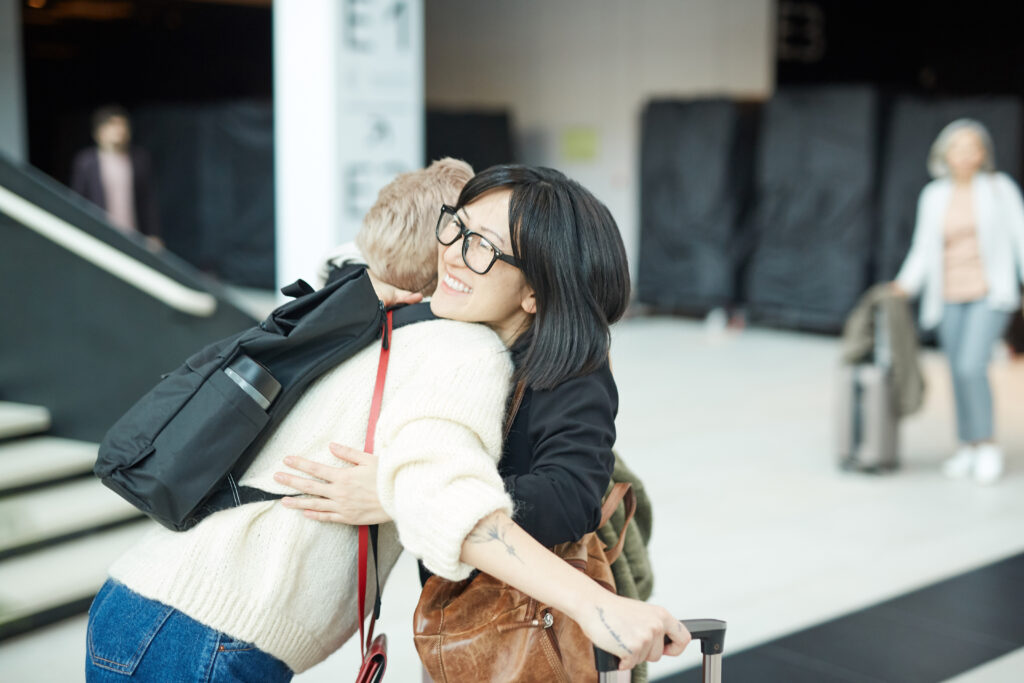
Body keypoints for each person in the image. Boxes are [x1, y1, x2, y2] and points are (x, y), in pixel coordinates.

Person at [86, 162, 688, 682]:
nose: (452, 252)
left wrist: (394, 494)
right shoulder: (453, 343)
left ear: (537, 291)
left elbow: (563, 493)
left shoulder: (461, 339)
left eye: (482, 246)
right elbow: (442, 497)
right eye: (455, 228)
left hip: (164, 607)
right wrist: (593, 605)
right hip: (203, 630)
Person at [891, 119, 1024, 484]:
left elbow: (1020, 238)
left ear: (983, 154)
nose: (966, 155)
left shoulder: (1000, 189)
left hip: (989, 293)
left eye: (973, 147)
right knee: (956, 370)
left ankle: (987, 443)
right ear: (944, 153)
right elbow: (922, 249)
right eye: (958, 148)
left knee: (971, 366)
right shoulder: (933, 195)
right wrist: (904, 285)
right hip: (948, 295)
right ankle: (966, 444)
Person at [70, 104, 161, 245]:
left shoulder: (139, 160)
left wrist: (152, 234)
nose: (119, 131)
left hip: (133, 236)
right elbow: (79, 201)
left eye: (123, 126)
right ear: (99, 132)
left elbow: (147, 201)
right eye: (113, 125)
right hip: (99, 237)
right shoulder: (86, 162)